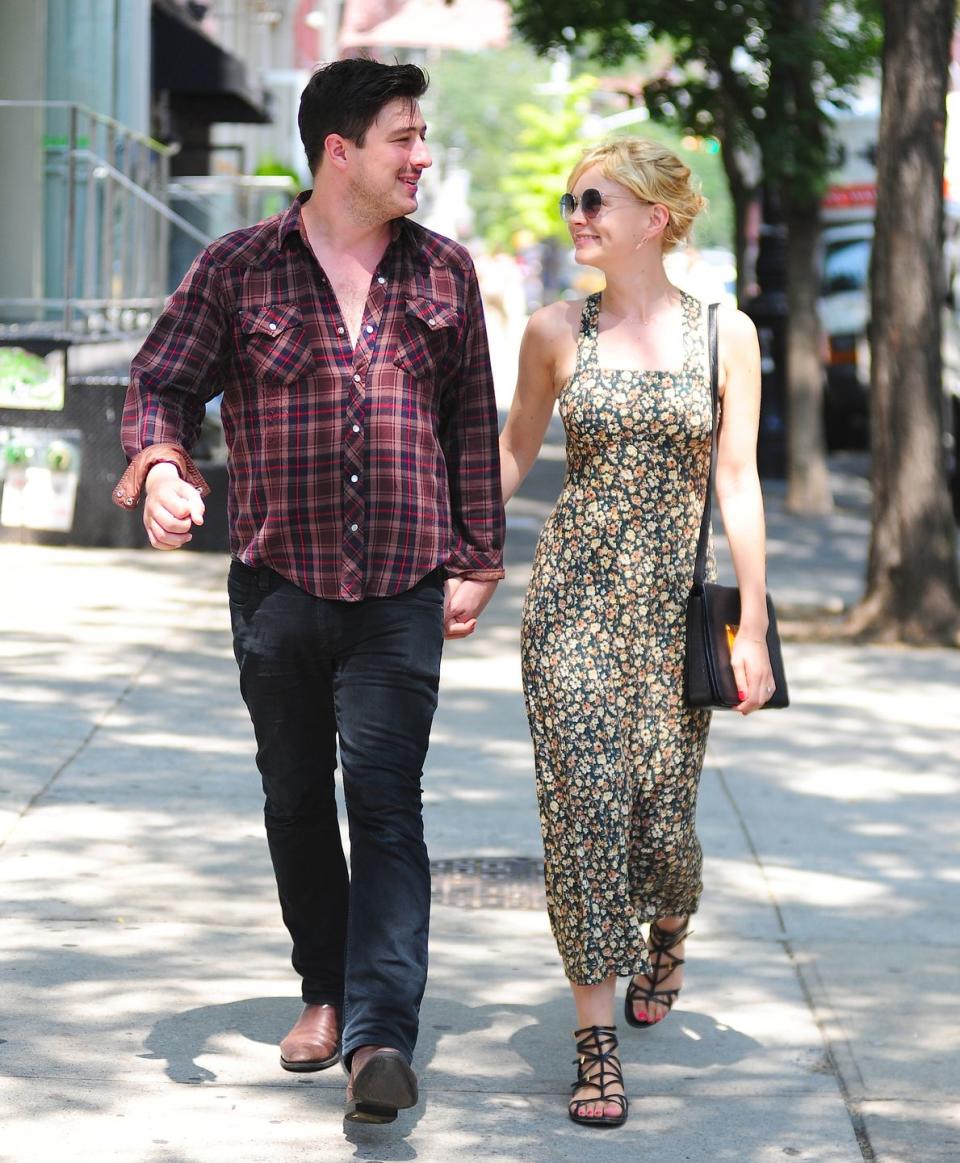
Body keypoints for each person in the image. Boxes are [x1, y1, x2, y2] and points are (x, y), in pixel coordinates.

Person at [112, 58, 504, 1124]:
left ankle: (381, 1033)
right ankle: (324, 987)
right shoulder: (240, 268)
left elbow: (472, 418)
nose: (422, 156)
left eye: (422, 138)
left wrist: (478, 556)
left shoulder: (444, 273)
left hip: (402, 585)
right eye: (404, 138)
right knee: (294, 797)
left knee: (386, 801)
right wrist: (159, 469)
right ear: (340, 149)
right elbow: (161, 384)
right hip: (278, 581)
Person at [498, 138, 775, 1128]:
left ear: (653, 218)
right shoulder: (551, 330)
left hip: (671, 616)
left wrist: (752, 623)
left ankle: (668, 932)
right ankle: (596, 1042)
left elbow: (737, 480)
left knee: (662, 824)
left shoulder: (725, 335)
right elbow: (515, 451)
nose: (575, 216)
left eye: (594, 201)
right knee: (582, 818)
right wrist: (459, 555)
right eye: (571, 199)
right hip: (569, 603)